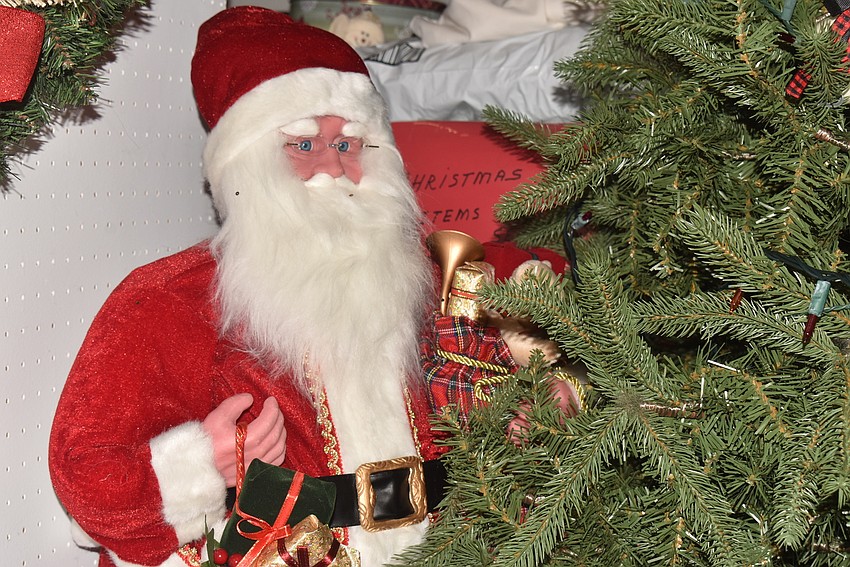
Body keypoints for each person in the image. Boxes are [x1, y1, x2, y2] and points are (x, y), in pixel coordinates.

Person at [49, 8, 444, 567]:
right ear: (246, 165)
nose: (332, 166)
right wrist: (203, 466)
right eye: (303, 145)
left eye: (350, 143)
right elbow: (86, 472)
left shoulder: (420, 280)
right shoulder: (178, 298)